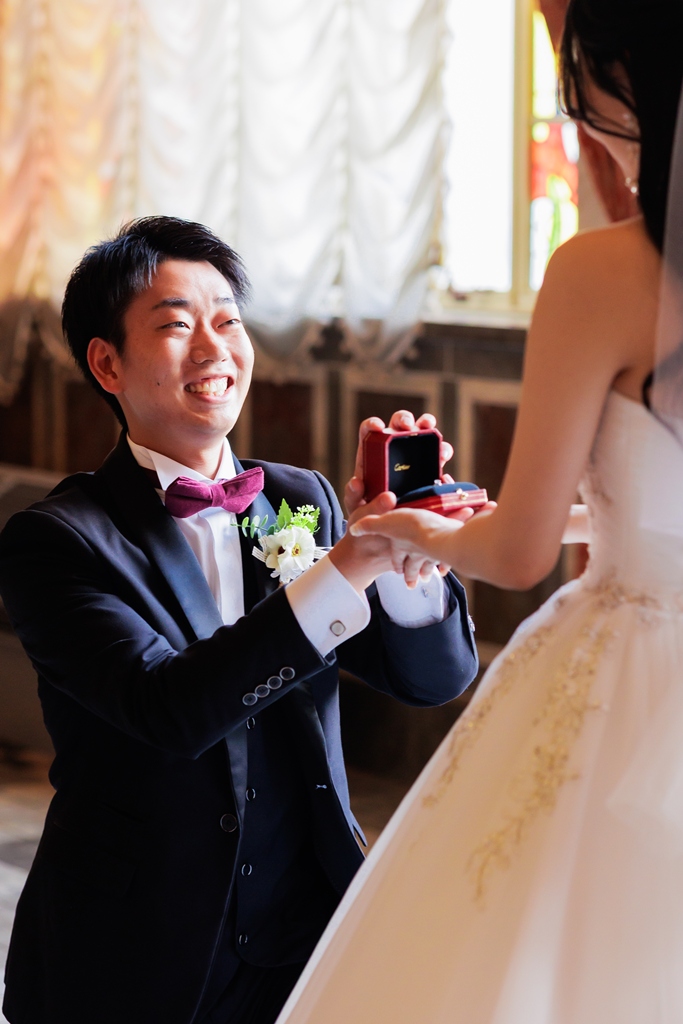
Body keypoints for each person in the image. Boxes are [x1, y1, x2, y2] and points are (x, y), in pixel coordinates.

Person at [274, 2, 683, 1022]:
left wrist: (409, 528)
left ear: (621, 84)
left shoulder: (601, 272)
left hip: (628, 676)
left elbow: (515, 554)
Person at [0, 216, 479, 1024]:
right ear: (107, 363)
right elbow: (170, 709)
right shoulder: (56, 540)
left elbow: (435, 679)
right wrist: (345, 565)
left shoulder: (301, 499)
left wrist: (404, 558)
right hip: (136, 947)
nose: (213, 348)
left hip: (310, 927)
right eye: (177, 325)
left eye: (227, 320)